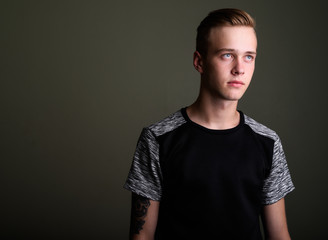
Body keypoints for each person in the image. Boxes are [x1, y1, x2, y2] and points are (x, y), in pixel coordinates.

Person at [124, 8, 294, 240]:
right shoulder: (158, 139)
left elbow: (280, 235)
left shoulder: (268, 142)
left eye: (248, 56)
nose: (239, 69)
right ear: (199, 62)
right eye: (227, 55)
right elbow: (141, 236)